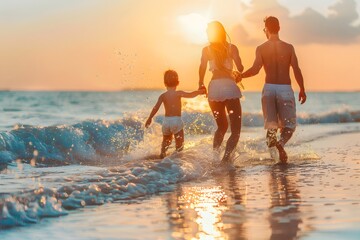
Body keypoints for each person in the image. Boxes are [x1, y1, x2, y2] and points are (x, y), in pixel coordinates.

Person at [242, 16, 307, 163]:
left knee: (271, 127)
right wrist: (302, 89)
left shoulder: (261, 48)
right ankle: (281, 144)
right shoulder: (289, 47)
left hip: (269, 89)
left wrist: (241, 76)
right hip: (285, 88)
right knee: (289, 125)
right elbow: (296, 69)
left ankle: (275, 159)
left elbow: (255, 70)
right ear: (279, 28)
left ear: (266, 29)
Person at [198, 21, 244, 165]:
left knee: (221, 127)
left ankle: (214, 157)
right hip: (229, 87)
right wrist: (237, 71)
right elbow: (241, 67)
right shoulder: (232, 48)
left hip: (214, 88)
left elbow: (202, 67)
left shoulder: (206, 50)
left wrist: (200, 83)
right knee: (235, 131)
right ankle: (225, 160)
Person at [145, 70, 206, 158]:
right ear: (177, 83)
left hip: (166, 122)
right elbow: (191, 95)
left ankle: (162, 157)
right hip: (176, 121)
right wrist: (200, 92)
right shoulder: (178, 93)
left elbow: (156, 107)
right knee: (179, 148)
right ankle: (176, 164)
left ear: (165, 83)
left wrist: (150, 118)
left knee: (165, 143)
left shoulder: (163, 96)